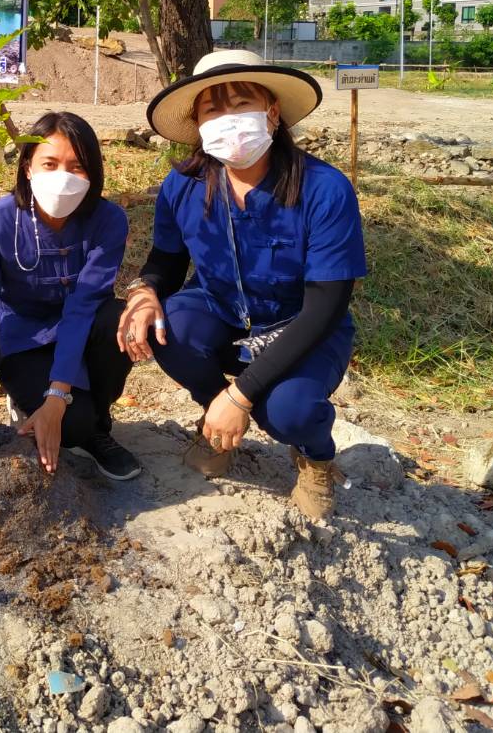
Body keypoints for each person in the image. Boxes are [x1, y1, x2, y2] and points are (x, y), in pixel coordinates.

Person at [117, 52, 366, 519]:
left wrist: (240, 394)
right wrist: (145, 291)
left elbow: (326, 305)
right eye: (213, 109)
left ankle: (315, 458)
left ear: (272, 110)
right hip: (221, 312)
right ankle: (218, 426)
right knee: (166, 327)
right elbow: (167, 260)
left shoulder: (324, 189)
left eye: (241, 104)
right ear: (197, 123)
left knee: (288, 410)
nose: (227, 119)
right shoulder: (184, 184)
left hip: (304, 328)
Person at [0, 111, 140, 480]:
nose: (62, 177)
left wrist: (57, 393)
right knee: (72, 427)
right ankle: (74, 420)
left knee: (119, 320)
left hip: (81, 328)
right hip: (19, 337)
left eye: (77, 167)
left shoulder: (107, 220)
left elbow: (83, 307)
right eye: (49, 163)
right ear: (28, 168)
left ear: (93, 173)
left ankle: (99, 426)